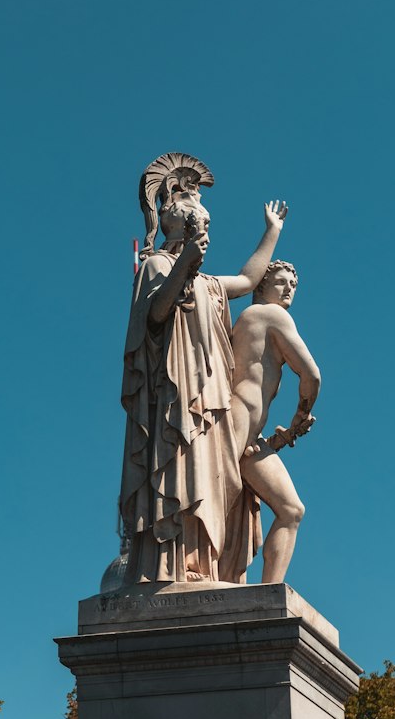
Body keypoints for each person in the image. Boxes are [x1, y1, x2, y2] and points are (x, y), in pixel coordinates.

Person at [119, 150, 288, 584]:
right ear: (179, 225)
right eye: (199, 226)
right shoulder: (157, 265)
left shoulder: (210, 285)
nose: (206, 233)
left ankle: (201, 564)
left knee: (209, 480)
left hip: (209, 398)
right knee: (178, 473)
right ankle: (169, 567)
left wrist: (271, 233)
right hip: (173, 399)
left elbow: (249, 281)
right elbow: (155, 314)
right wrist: (186, 262)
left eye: (208, 228)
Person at [219, 261, 320, 585]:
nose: (289, 288)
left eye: (293, 283)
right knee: (217, 502)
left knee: (292, 510)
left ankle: (270, 594)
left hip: (251, 429)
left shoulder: (246, 321)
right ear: (261, 287)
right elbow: (310, 375)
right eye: (281, 282)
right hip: (239, 418)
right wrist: (301, 415)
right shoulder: (269, 315)